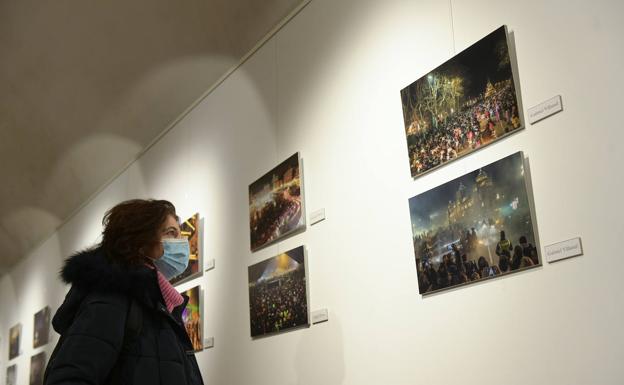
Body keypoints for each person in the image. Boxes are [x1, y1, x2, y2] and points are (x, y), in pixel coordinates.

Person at [44, 199, 204, 385]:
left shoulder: (162, 309)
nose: (182, 243)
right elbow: (70, 378)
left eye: (180, 234)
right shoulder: (112, 301)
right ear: (140, 242)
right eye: (171, 233)